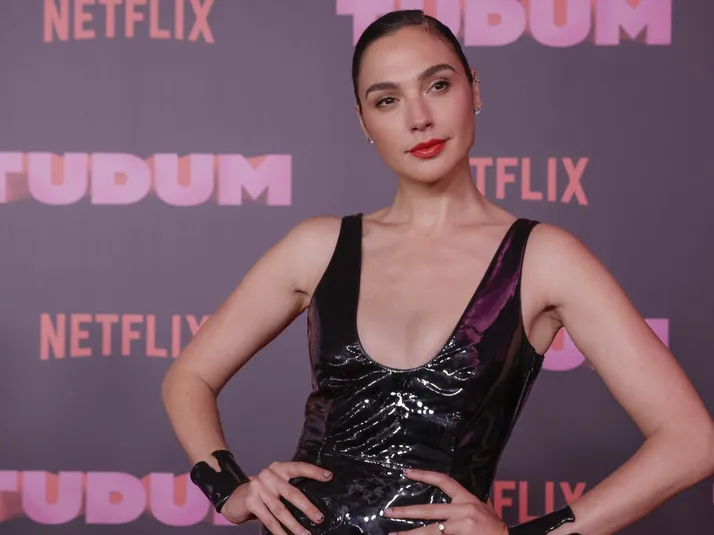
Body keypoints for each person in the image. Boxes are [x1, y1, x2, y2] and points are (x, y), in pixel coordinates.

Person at [161, 9, 714, 535]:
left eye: (438, 85)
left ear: (475, 89)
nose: (418, 118)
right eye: (387, 100)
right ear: (363, 121)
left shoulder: (544, 259)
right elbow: (189, 378)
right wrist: (229, 489)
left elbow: (691, 441)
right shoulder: (318, 247)